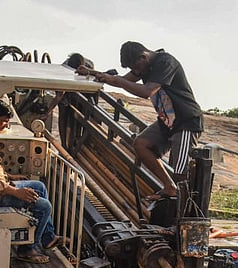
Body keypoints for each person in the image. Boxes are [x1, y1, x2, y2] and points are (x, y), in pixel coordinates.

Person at [78, 41, 202, 202]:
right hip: (167, 121)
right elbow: (120, 80)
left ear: (143, 56)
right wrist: (93, 73)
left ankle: (184, 215)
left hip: (186, 121)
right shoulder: (144, 66)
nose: (136, 72)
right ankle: (169, 187)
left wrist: (119, 81)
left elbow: (146, 91)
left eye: (136, 68)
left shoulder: (165, 62)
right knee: (141, 143)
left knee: (180, 172)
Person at [0, 99, 63, 264]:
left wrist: (11, 178)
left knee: (38, 186)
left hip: (2, 186)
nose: (5, 126)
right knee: (44, 206)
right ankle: (26, 249)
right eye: (3, 121)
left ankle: (47, 237)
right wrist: (16, 192)